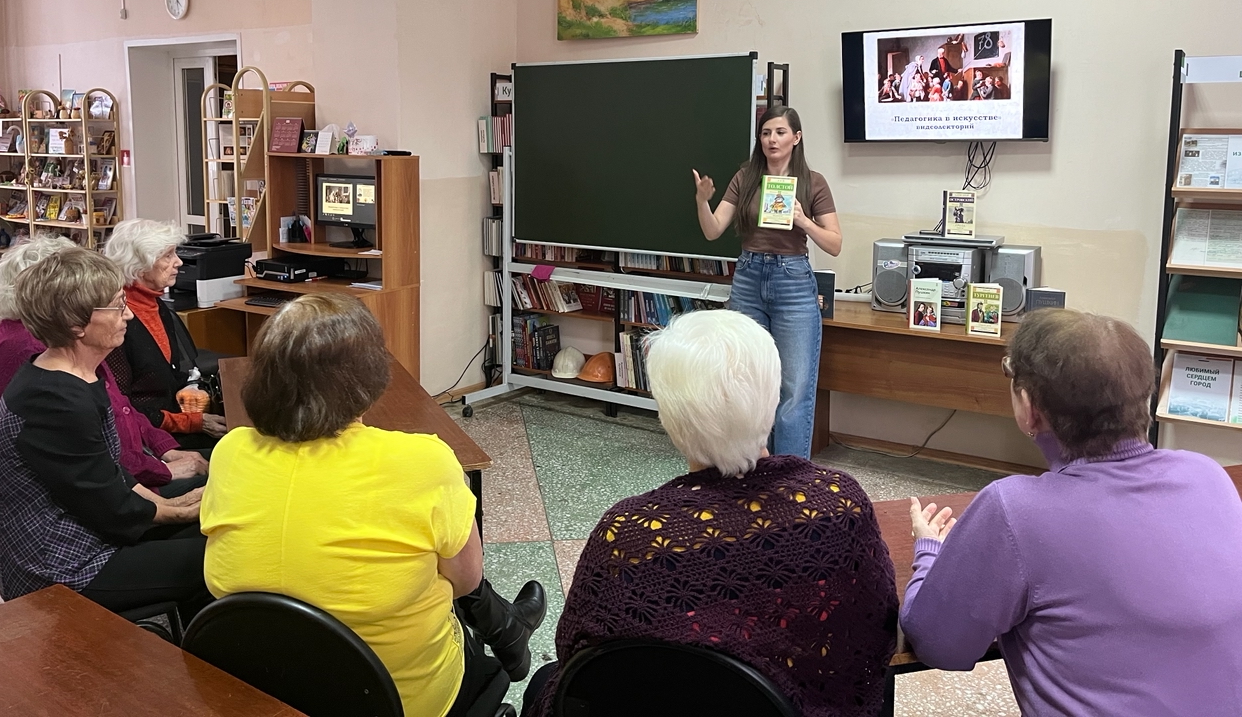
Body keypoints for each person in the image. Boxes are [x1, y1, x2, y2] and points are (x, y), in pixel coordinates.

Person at [522, 311, 898, 717]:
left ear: (668, 415)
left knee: (544, 681)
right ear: (773, 397)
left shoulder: (625, 534)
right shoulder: (839, 504)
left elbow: (579, 658)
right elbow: (875, 635)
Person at [201, 293, 547, 717]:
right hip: (398, 700)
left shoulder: (231, 450)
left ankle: (510, 631)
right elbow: (465, 581)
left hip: (263, 689)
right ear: (366, 380)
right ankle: (509, 633)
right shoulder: (423, 461)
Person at [901, 309, 1242, 716]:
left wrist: (929, 551)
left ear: (1029, 407)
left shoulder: (1016, 510)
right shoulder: (1207, 474)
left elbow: (939, 643)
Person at [0, 247, 210, 618]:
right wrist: (183, 511)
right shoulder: (55, 400)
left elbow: (109, 473)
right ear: (76, 324)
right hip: (60, 567)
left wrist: (178, 506)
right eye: (117, 306)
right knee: (224, 555)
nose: (128, 315)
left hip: (88, 534)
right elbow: (112, 509)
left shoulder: (76, 375)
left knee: (214, 529)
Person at [0, 237, 206, 503]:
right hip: (67, 497)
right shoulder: (39, 348)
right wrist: (163, 472)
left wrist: (165, 449)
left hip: (114, 477)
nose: (126, 313)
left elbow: (120, 408)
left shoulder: (62, 337)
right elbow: (95, 460)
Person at [692, 106, 840, 458]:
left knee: (794, 387)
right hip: (749, 278)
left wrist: (804, 221)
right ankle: (754, 467)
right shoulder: (746, 177)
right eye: (765, 133)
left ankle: (789, 474)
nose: (772, 140)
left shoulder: (813, 182)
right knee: (750, 382)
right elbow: (713, 230)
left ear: (796, 138)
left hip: (793, 282)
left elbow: (834, 244)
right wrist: (701, 201)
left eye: (780, 132)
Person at [103, 219, 226, 444]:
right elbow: (124, 408)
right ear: (139, 264)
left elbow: (167, 373)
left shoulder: (157, 306)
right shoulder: (117, 320)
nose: (179, 262)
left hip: (172, 421)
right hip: (149, 437)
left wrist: (191, 387)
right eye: (168, 255)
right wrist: (192, 422)